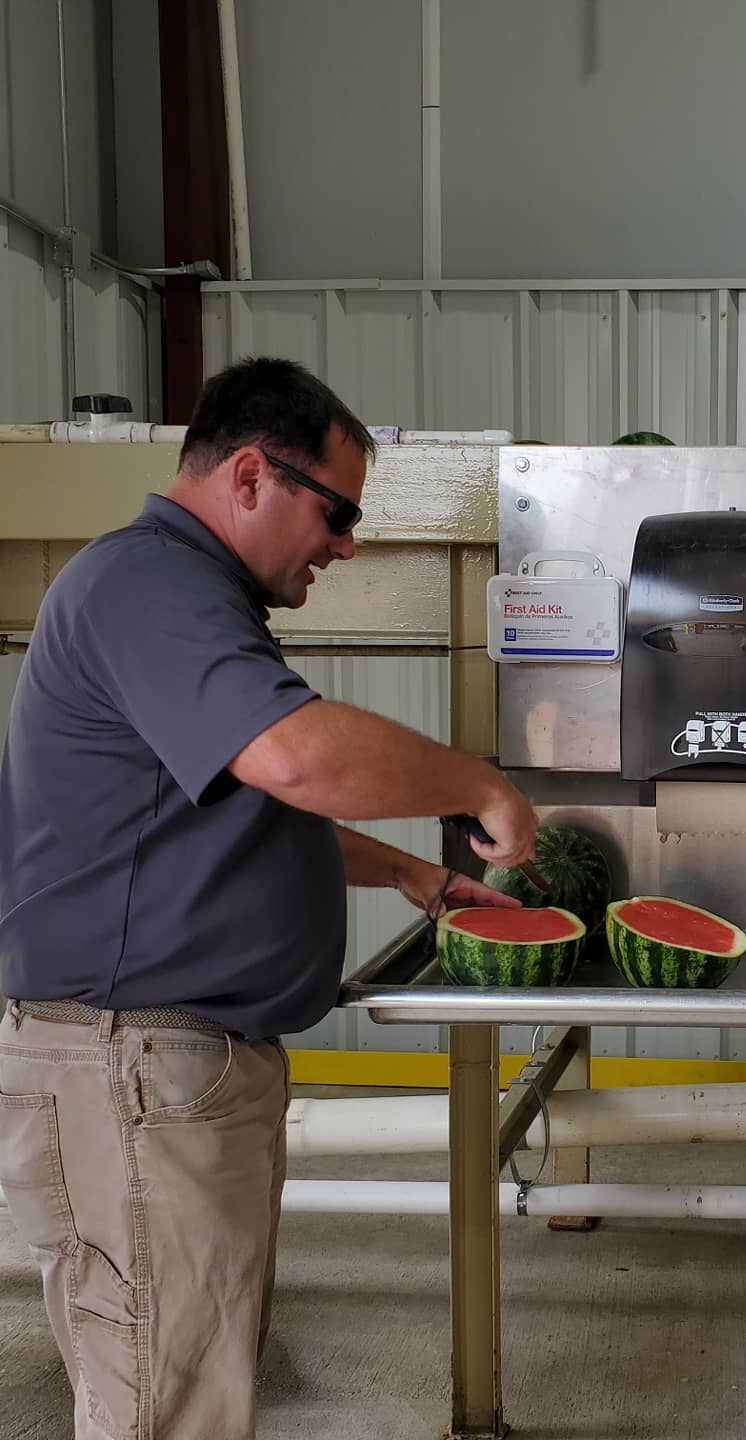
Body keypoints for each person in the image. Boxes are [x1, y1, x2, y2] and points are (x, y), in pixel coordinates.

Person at [0, 357, 537, 1439]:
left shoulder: (189, 596)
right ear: (251, 475)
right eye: (336, 513)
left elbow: (224, 808)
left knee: (190, 1385)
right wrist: (480, 784)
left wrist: (407, 872)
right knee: (168, 1405)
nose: (345, 545)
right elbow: (291, 757)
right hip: (132, 1067)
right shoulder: (145, 584)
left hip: (165, 1070)